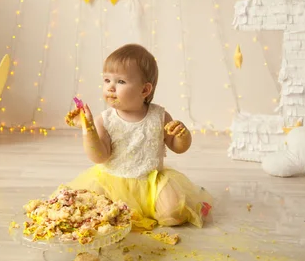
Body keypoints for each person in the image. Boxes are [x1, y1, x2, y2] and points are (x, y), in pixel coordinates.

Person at [65, 43, 213, 230]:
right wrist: (88, 128)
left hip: (151, 183)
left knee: (173, 213)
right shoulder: (104, 120)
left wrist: (182, 135)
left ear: (145, 90)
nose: (110, 87)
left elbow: (178, 147)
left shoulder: (159, 116)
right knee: (91, 212)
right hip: (111, 181)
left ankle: (165, 207)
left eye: (120, 82)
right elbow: (99, 156)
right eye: (107, 80)